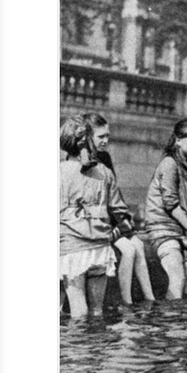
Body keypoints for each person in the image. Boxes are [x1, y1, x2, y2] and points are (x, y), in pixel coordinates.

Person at [59, 115, 130, 317]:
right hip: (100, 248)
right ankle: (98, 345)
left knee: (78, 310)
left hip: (72, 248)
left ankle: (80, 349)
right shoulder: (105, 172)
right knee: (97, 311)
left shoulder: (59, 171)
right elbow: (121, 212)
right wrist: (112, 233)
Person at [82, 112, 155, 305]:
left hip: (108, 220)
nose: (106, 140)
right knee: (128, 250)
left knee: (138, 244)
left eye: (107, 136)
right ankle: (127, 303)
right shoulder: (78, 161)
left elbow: (113, 195)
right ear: (87, 137)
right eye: (101, 136)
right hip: (90, 225)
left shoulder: (104, 156)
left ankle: (150, 298)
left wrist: (124, 223)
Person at [145, 118, 187, 300]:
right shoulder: (169, 164)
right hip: (164, 228)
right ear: (177, 140)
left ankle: (186, 326)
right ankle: (171, 325)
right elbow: (171, 204)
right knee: (177, 278)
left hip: (185, 231)